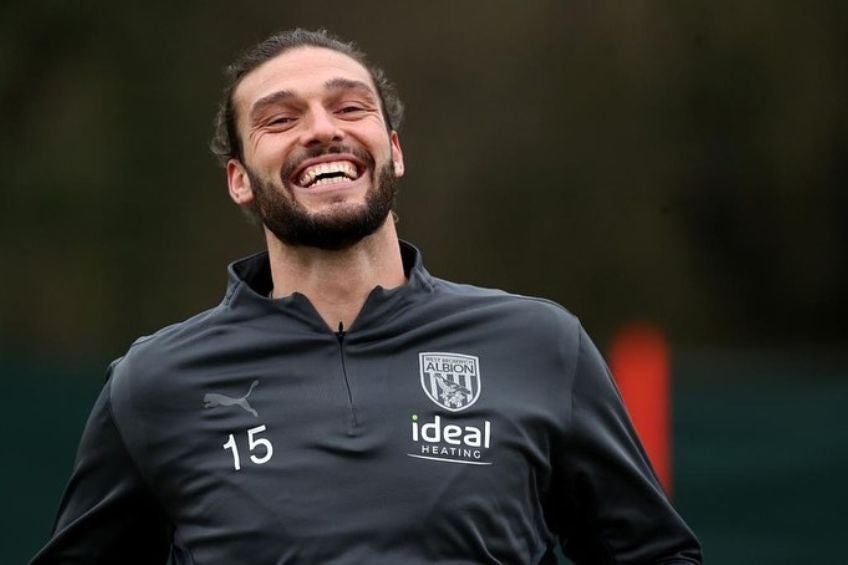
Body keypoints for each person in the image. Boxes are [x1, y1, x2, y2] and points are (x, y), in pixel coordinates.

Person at [32, 29, 702, 564]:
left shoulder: (540, 345)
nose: (322, 129)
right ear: (239, 180)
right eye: (280, 118)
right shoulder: (154, 383)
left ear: (394, 150)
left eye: (350, 106)